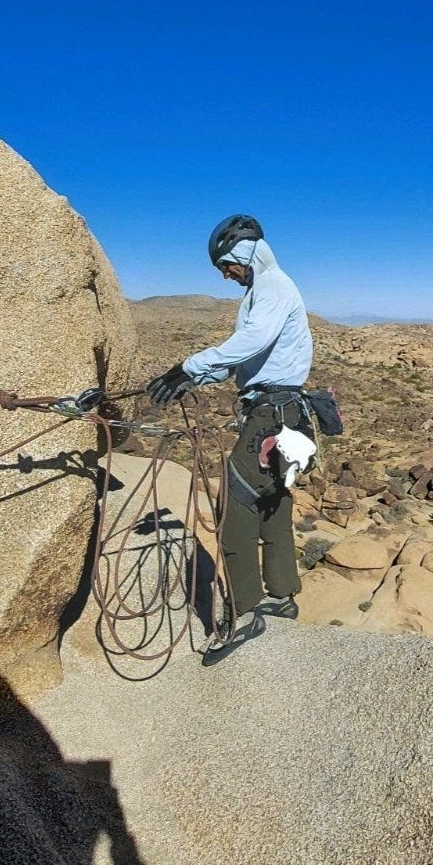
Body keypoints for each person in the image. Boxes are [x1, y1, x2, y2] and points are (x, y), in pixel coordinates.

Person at [146, 215, 314, 648]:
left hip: (270, 416)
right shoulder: (267, 288)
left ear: (241, 252)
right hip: (283, 410)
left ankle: (244, 611)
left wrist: (189, 365)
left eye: (225, 264)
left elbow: (253, 341)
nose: (224, 274)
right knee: (273, 498)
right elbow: (250, 363)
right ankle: (282, 594)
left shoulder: (274, 287)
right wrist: (192, 380)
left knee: (236, 501)